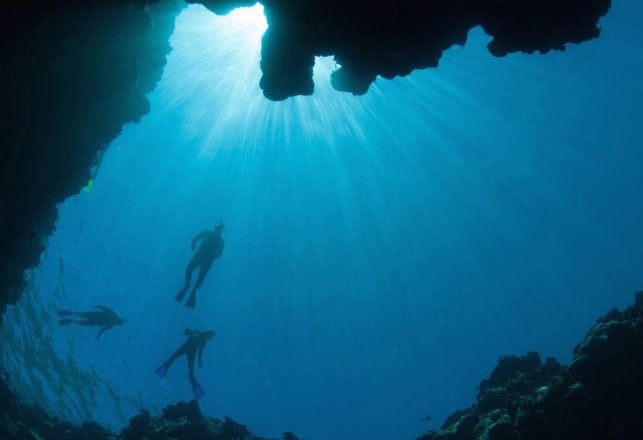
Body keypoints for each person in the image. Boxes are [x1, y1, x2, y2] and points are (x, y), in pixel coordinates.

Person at [155, 328, 216, 399]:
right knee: (175, 358)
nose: (209, 338)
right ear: (207, 334)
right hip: (188, 349)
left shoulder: (202, 340)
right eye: (209, 337)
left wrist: (200, 362)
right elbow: (188, 333)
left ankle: (190, 376)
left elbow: (199, 352)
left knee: (175, 358)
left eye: (209, 337)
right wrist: (188, 331)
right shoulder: (198, 335)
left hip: (189, 350)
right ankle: (191, 377)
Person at [175, 222, 225, 309]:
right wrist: (193, 244)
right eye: (217, 227)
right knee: (194, 272)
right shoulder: (214, 237)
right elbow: (219, 253)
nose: (218, 229)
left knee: (196, 274)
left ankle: (191, 287)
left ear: (220, 230)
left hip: (202, 257)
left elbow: (219, 253)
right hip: (204, 258)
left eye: (219, 228)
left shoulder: (214, 237)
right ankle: (190, 287)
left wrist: (193, 245)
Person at [57, 305, 126, 339]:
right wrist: (97, 306)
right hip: (94, 317)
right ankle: (68, 315)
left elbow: (102, 330)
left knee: (80, 318)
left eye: (118, 323)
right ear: (118, 319)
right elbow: (105, 308)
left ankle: (68, 317)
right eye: (118, 322)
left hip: (94, 320)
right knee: (80, 316)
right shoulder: (113, 316)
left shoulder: (111, 324)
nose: (117, 323)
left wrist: (98, 336)